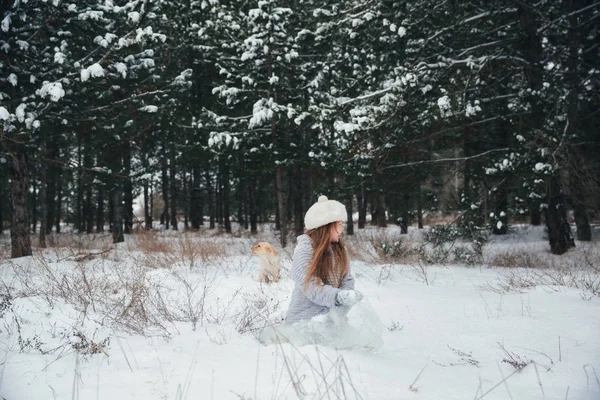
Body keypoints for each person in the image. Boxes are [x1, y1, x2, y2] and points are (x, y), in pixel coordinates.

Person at [286, 195, 363, 324]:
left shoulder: (340, 250)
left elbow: (347, 278)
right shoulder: (305, 250)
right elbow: (310, 286)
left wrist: (346, 295)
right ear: (326, 226)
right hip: (303, 324)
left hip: (331, 322)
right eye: (339, 224)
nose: (342, 228)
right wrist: (337, 297)